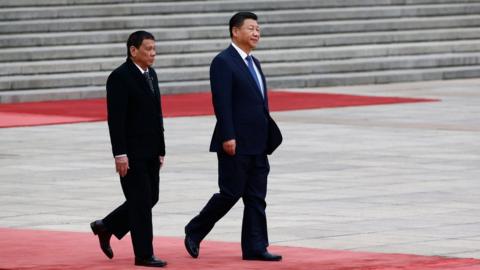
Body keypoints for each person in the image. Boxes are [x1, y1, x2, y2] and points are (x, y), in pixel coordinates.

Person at [184, 12, 283, 261]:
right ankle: (194, 230)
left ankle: (255, 247)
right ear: (235, 32)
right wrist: (228, 135)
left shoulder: (255, 62)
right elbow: (222, 102)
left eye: (258, 29)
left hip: (258, 143)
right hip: (235, 142)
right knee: (230, 193)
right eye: (251, 28)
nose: (256, 33)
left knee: (257, 198)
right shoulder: (223, 62)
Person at [90, 30, 167, 268]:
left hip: (151, 150)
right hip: (131, 154)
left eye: (155, 49)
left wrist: (161, 148)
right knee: (141, 202)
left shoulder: (151, 74)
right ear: (133, 50)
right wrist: (120, 154)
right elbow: (116, 119)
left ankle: (107, 226)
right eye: (148, 49)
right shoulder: (119, 77)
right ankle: (144, 254)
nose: (153, 53)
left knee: (150, 197)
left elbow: (157, 114)